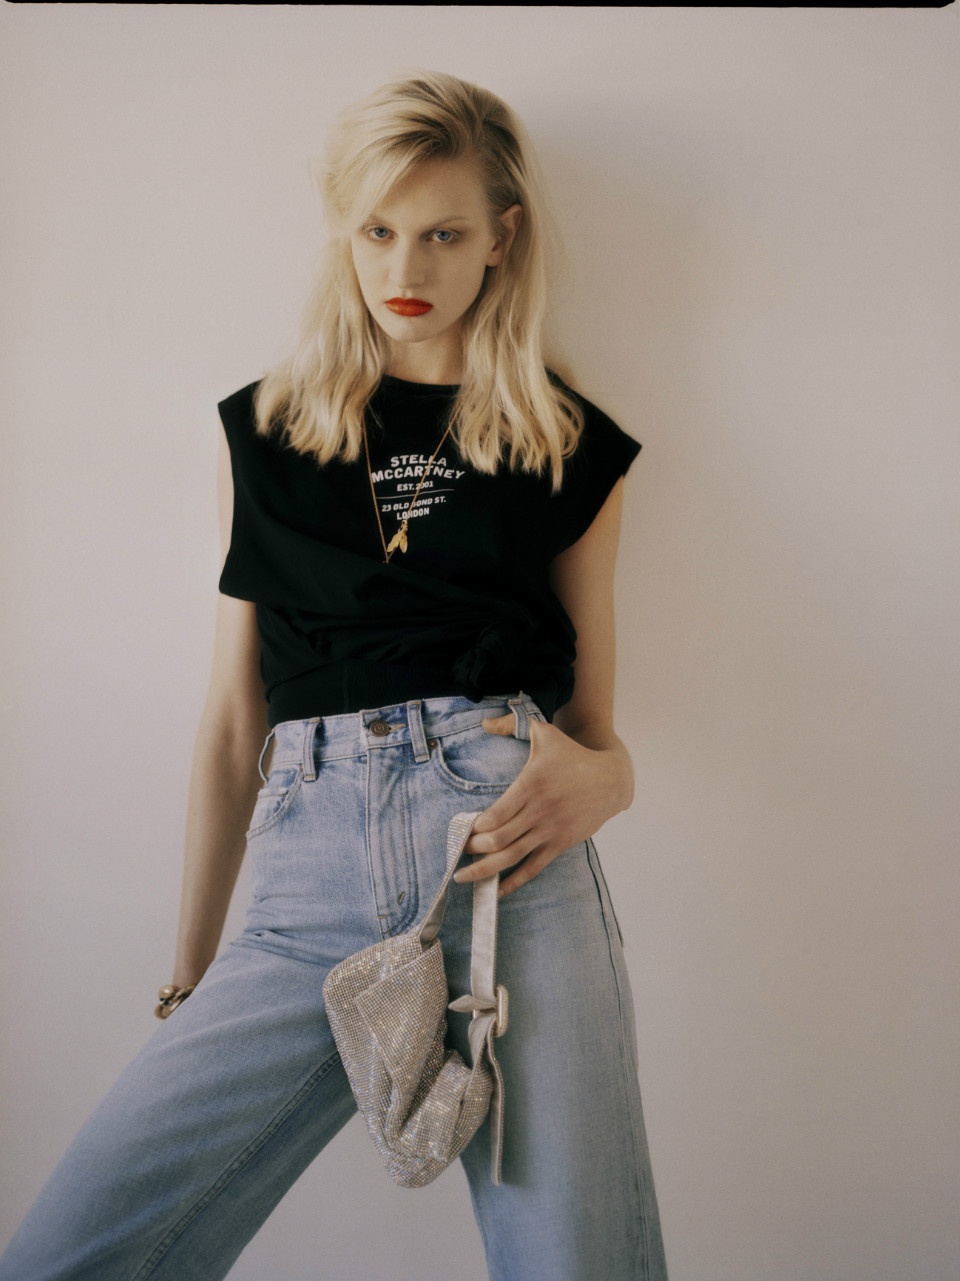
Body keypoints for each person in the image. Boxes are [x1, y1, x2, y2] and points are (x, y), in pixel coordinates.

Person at [0, 71, 668, 1281]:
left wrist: (610, 781)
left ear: (502, 237)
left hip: (509, 863)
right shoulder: (265, 431)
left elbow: (598, 734)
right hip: (303, 867)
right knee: (70, 1255)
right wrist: (191, 973)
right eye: (377, 230)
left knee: (575, 1266)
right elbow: (231, 723)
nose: (404, 265)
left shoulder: (570, 444)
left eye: (443, 233)